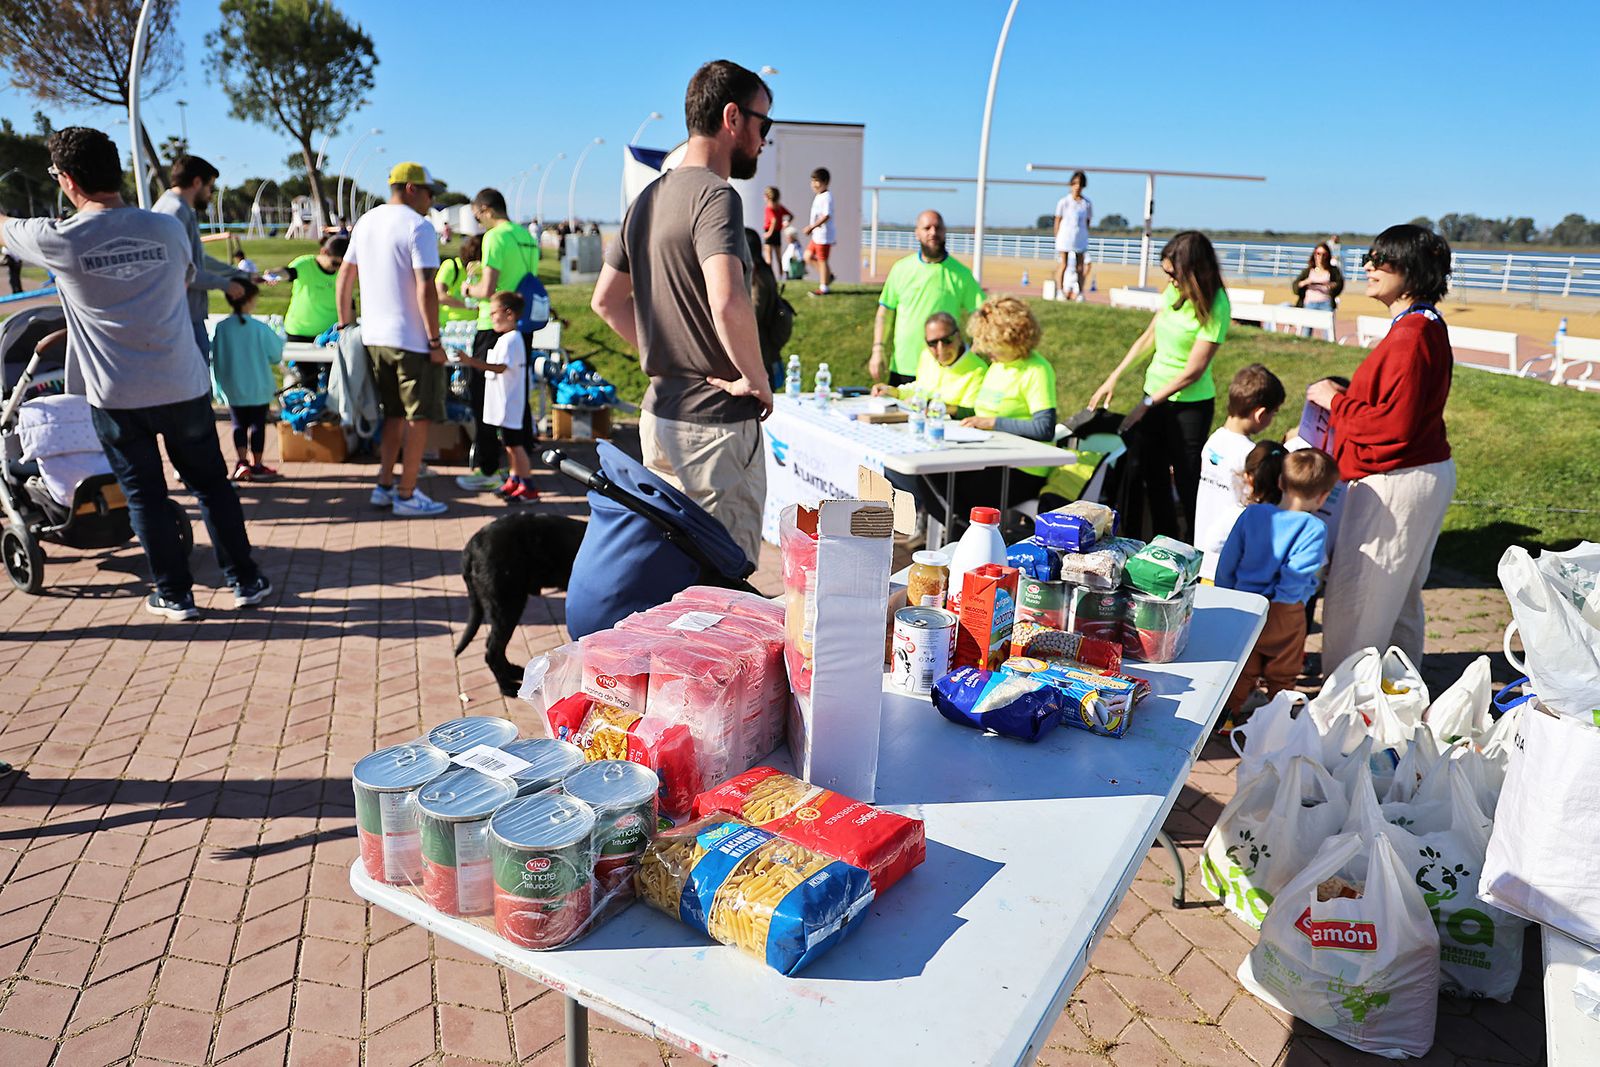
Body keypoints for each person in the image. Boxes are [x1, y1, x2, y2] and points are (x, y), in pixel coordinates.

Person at [1, 127, 270, 619]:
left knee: (145, 496)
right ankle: (246, 580)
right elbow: (185, 278)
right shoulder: (167, 229)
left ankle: (175, 593)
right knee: (212, 486)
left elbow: (4, 228)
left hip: (117, 394)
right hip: (183, 382)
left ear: (67, 180)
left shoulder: (58, 238)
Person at [592, 59, 774, 562]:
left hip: (660, 415)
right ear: (732, 117)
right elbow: (727, 298)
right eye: (764, 124)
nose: (764, 140)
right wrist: (755, 378)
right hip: (715, 426)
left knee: (671, 570)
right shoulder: (716, 196)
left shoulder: (647, 199)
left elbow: (605, 301)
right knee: (723, 577)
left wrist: (668, 356)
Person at [1309, 224, 1456, 671]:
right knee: (1397, 603)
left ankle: (1346, 703)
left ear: (1410, 269)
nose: (1369, 268)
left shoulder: (1413, 334)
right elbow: (1398, 405)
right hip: (1417, 471)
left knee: (1359, 603)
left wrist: (1335, 402)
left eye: (1380, 260)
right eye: (1368, 259)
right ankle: (1397, 696)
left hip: (1396, 478)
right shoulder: (1423, 324)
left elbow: (1395, 425)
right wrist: (1351, 395)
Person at [1089, 230, 1231, 540]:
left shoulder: (1217, 304)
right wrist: (1115, 376)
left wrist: (1147, 404)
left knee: (1187, 481)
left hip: (1190, 407)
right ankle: (1161, 543)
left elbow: (1194, 371)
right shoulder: (1173, 292)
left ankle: (1193, 547)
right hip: (1154, 395)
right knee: (1151, 477)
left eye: (1173, 274)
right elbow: (1149, 336)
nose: (1170, 280)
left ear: (1193, 270)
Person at [336, 160, 449, 518]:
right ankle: (407, 492)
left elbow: (344, 277)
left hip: (375, 337)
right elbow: (426, 288)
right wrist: (435, 342)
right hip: (411, 339)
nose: (431, 201)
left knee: (394, 416)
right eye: (429, 193)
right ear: (412, 189)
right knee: (418, 417)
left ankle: (385, 485)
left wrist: (345, 325)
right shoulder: (419, 226)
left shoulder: (366, 221)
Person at [1216, 448, 1339, 724]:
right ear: (1322, 497)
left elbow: (1228, 561)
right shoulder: (1314, 528)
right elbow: (1298, 574)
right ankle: (1277, 721)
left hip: (1245, 604)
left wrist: (1228, 593)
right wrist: (1291, 599)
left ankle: (1226, 718)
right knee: (1282, 672)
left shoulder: (1252, 514)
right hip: (1284, 610)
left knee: (1243, 666)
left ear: (1281, 482)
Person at [926, 296, 1057, 527]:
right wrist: (951, 410)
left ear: (1012, 339)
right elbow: (981, 413)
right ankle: (960, 533)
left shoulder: (1037, 370)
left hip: (1023, 470)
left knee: (952, 490)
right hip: (989, 458)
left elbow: (1044, 428)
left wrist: (993, 423)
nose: (984, 350)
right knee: (930, 476)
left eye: (990, 344)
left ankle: (965, 536)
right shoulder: (997, 365)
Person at [458, 188, 539, 492]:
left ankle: (488, 467)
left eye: (477, 216)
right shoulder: (526, 235)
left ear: (486, 209)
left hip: (493, 324)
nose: (478, 222)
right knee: (517, 395)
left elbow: (488, 289)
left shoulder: (494, 237)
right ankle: (518, 466)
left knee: (484, 397)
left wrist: (468, 289)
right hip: (521, 322)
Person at [870, 210, 984, 386]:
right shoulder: (901, 269)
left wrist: (975, 348)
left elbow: (981, 314)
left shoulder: (962, 274)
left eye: (938, 228)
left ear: (945, 231)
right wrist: (878, 349)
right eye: (927, 228)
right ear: (917, 233)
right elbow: (884, 313)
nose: (933, 232)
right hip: (903, 367)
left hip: (944, 370)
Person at [1194, 364, 1284, 582]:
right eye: (1273, 413)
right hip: (1227, 562)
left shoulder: (1214, 441)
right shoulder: (1250, 455)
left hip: (1200, 557)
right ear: (1260, 414)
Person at [153, 155, 247, 363]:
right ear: (197, 182)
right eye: (210, 187)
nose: (210, 195)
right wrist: (225, 285)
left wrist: (238, 274)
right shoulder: (175, 212)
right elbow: (180, 271)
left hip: (186, 317)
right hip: (181, 320)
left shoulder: (177, 208)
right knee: (196, 381)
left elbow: (197, 260)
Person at [457, 291, 536, 503]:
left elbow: (500, 367)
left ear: (509, 314)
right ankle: (514, 479)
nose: (491, 317)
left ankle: (528, 486)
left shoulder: (512, 340)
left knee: (515, 446)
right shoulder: (506, 339)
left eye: (494, 313)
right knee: (509, 445)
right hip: (504, 403)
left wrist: (471, 361)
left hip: (510, 404)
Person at [211, 278, 284, 482]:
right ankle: (257, 464)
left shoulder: (221, 328)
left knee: (238, 424)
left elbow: (215, 358)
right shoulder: (259, 328)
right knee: (258, 425)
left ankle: (242, 461)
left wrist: (218, 387)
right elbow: (276, 355)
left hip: (233, 386)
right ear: (250, 300)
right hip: (259, 386)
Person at [272, 233, 347, 390]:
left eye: (342, 264)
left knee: (333, 381)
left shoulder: (343, 272)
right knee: (307, 380)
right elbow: (288, 273)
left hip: (329, 335)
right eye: (335, 263)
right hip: (300, 333)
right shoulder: (305, 264)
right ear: (323, 252)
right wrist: (274, 275)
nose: (338, 268)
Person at [871, 311, 986, 410]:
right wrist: (895, 392)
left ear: (958, 336)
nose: (941, 349)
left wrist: (929, 405)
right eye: (933, 343)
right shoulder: (926, 356)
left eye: (947, 340)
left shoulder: (978, 370)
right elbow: (922, 387)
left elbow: (968, 412)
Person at [745, 227, 788, 389]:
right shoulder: (763, 272)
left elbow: (754, 314)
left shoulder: (758, 277)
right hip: (764, 354)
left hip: (763, 357)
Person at [1053, 170, 1092, 301]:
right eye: (1075, 183)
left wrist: (1084, 234)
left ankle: (1080, 292)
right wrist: (1057, 236)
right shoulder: (1063, 202)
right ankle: (1060, 291)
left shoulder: (1087, 204)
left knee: (1080, 266)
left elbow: (1087, 221)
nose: (1077, 187)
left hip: (1079, 238)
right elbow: (1057, 220)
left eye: (1080, 184)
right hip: (1065, 237)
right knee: (1063, 264)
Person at [1291, 242, 1344, 336]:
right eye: (1318, 253)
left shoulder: (1333, 270)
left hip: (1326, 303)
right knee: (1306, 331)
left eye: (1324, 254)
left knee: (1328, 332)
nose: (1321, 257)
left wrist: (1331, 286)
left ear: (1328, 256)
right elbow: (1295, 286)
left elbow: (1339, 284)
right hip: (1309, 303)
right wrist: (1305, 282)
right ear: (1314, 254)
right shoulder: (1308, 270)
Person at [437, 233, 481, 327]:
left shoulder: (482, 269)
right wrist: (468, 306)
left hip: (475, 325)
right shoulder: (452, 266)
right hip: (451, 326)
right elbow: (439, 295)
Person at [804, 167, 834, 296]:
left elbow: (827, 216)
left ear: (825, 182)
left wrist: (811, 227)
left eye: (817, 181)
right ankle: (827, 276)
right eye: (812, 181)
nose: (814, 184)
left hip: (823, 235)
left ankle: (824, 288)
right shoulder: (819, 196)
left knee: (822, 260)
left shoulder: (827, 196)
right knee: (807, 256)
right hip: (817, 235)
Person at [761, 186, 792, 272]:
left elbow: (773, 220)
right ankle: (781, 275)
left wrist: (769, 233)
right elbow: (791, 216)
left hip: (770, 231)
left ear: (767, 197)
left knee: (768, 257)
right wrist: (786, 222)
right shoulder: (779, 207)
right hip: (777, 232)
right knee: (778, 257)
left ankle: (769, 275)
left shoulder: (768, 208)